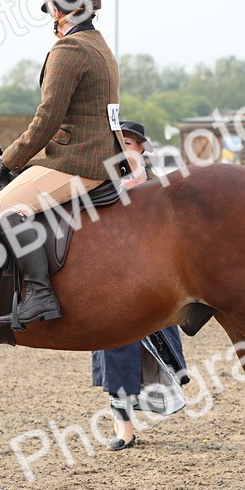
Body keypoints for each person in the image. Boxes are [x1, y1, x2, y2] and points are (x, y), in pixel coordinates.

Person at [0, 0, 121, 329]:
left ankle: (40, 293)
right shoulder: (99, 44)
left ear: (61, 10)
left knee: (4, 205)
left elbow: (47, 118)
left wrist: (10, 159)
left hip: (80, 160)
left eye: (52, 10)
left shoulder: (70, 48)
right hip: (101, 155)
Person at [91, 121, 188, 450]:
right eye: (121, 141)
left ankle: (126, 430)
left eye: (129, 141)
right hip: (113, 272)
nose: (124, 145)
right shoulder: (117, 169)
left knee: (120, 353)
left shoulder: (132, 170)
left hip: (135, 276)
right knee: (114, 354)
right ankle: (124, 429)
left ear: (140, 147)